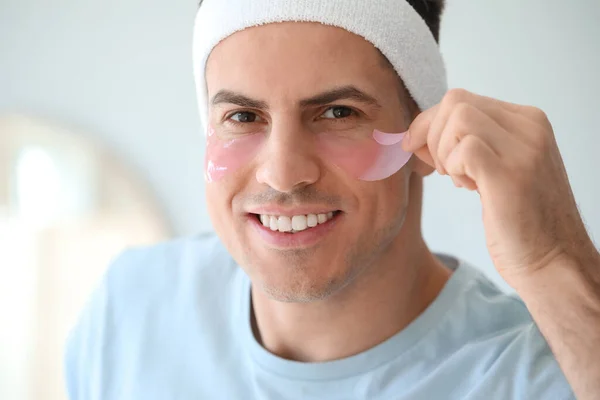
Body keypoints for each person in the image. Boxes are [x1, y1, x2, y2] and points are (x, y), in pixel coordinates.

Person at [65, 0, 600, 399]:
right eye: (243, 117)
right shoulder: (128, 310)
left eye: (338, 112)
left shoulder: (541, 371)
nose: (282, 173)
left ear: (425, 135)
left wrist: (554, 263)